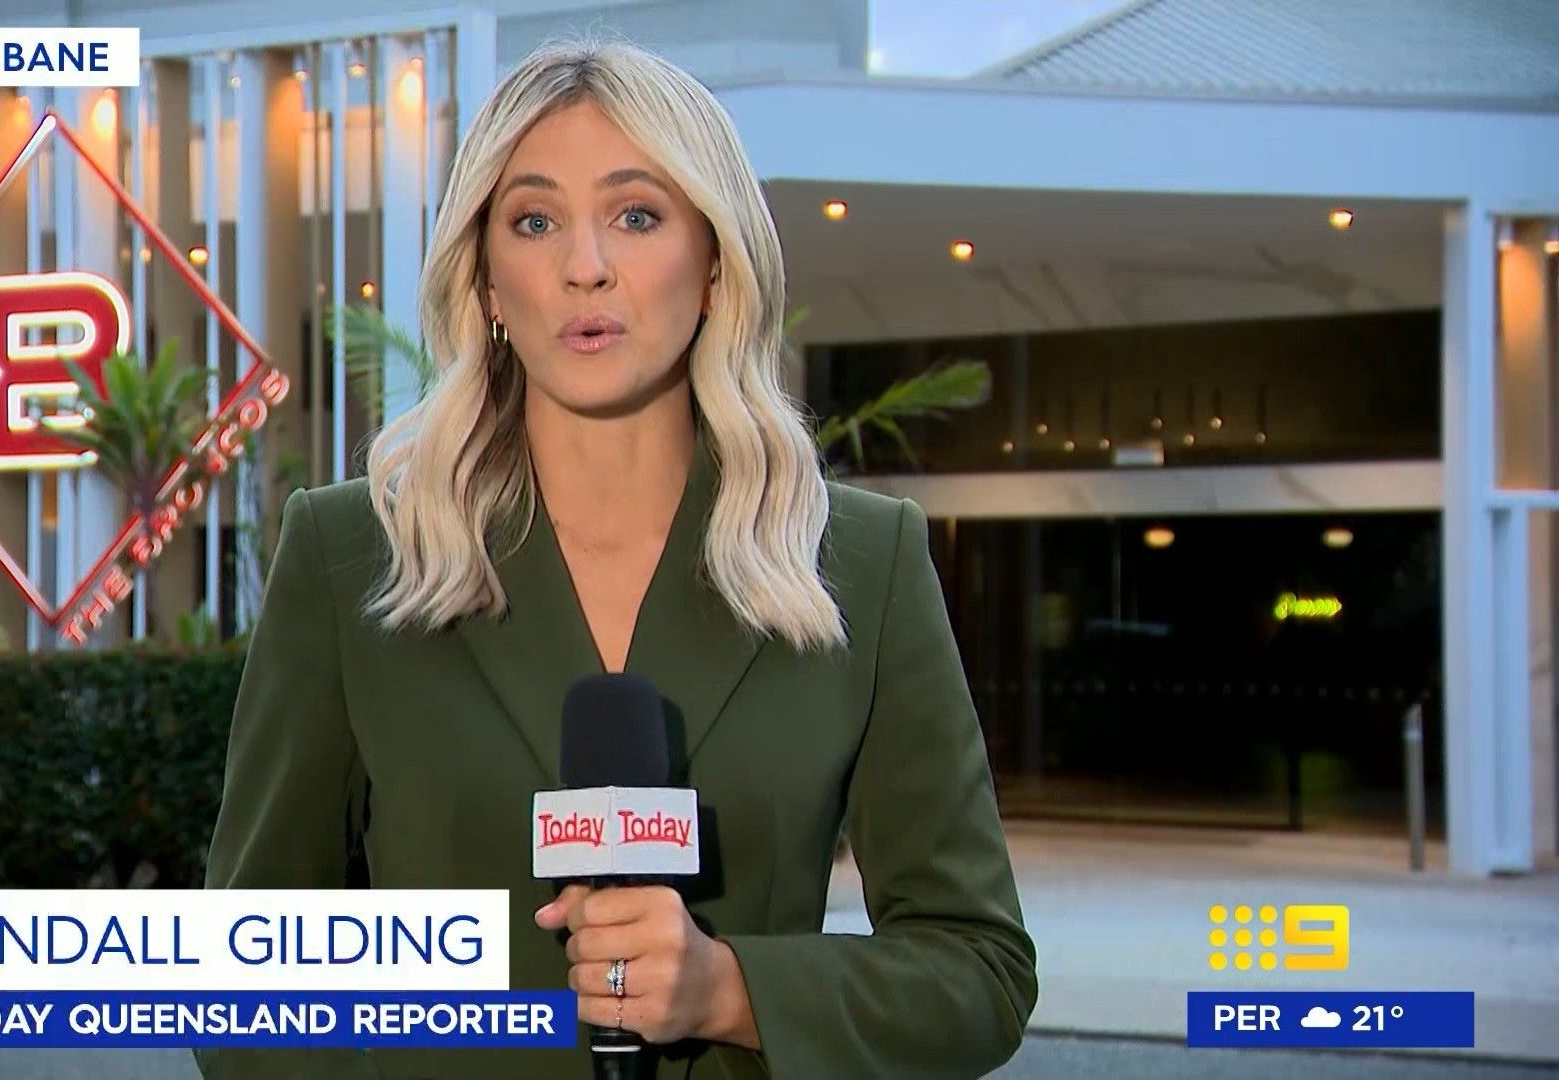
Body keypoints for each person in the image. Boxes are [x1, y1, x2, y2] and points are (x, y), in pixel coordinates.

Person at [197, 35, 1037, 1080]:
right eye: (534, 220)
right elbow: (246, 992)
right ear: (487, 279)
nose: (584, 265)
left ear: (715, 260)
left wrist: (730, 990)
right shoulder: (350, 555)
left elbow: (979, 969)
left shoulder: (861, 563)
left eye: (636, 215)